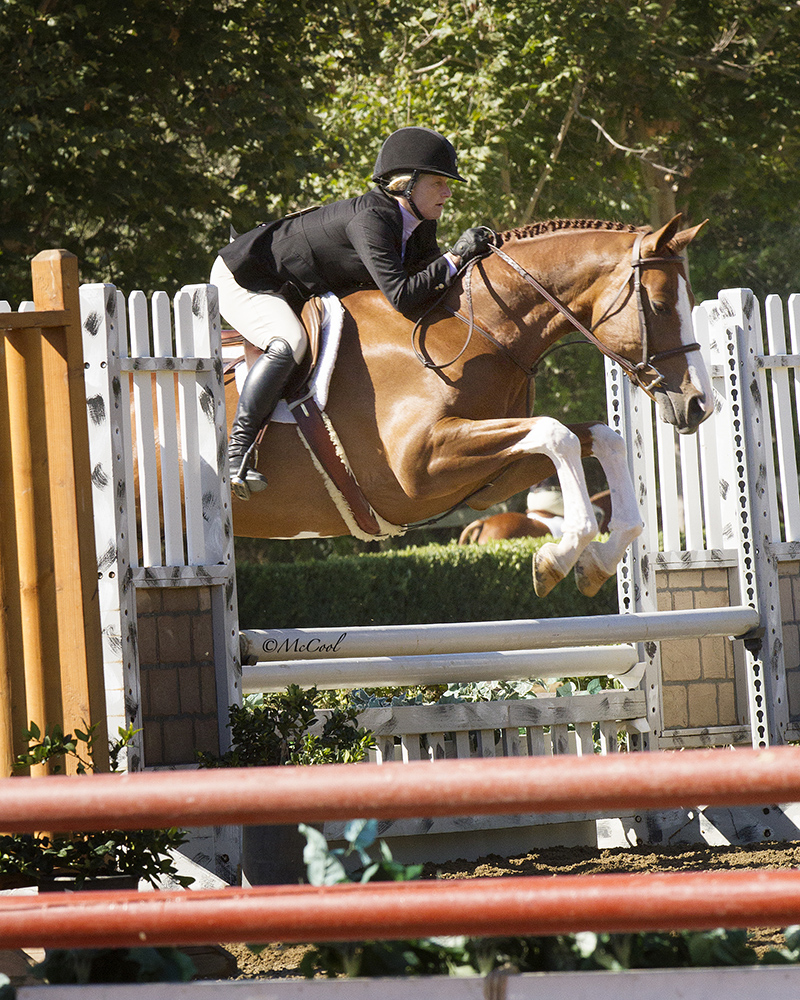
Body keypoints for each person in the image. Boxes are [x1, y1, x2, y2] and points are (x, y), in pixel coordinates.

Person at [210, 125, 493, 501]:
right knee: (289, 341)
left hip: (291, 284)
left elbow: (430, 282)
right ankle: (237, 451)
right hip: (247, 278)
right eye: (438, 183)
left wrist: (465, 262)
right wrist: (456, 257)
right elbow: (403, 295)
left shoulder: (420, 223)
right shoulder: (373, 219)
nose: (448, 192)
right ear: (406, 185)